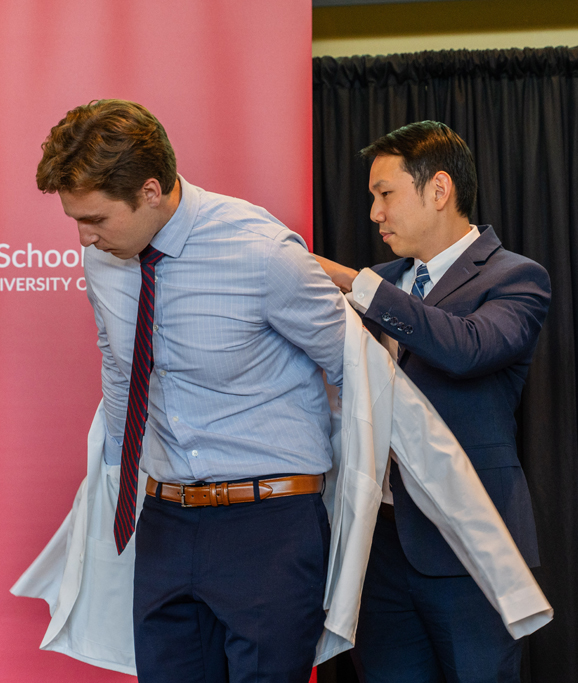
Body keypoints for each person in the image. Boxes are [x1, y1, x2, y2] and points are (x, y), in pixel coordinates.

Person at [35, 99, 346, 683]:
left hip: (271, 523)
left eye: (96, 219)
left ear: (150, 191)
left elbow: (354, 374)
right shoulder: (102, 262)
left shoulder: (263, 252)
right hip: (163, 521)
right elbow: (121, 371)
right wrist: (110, 488)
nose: (83, 237)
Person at [315, 121, 551, 683]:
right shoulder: (383, 280)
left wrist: (355, 283)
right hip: (382, 545)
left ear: (438, 190)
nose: (374, 213)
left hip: (469, 541)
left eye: (384, 194)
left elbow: (467, 349)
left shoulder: (516, 277)